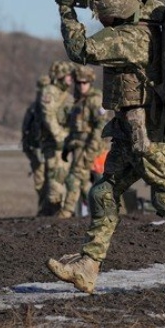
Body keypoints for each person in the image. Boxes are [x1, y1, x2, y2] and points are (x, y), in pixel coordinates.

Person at [46, 0, 165, 293]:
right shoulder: (147, 23)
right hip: (131, 130)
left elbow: (80, 50)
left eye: (101, 9)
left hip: (149, 137)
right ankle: (88, 265)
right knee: (103, 193)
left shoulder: (129, 38)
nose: (99, 15)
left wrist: (66, 8)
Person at [58, 65, 107, 219]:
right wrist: (66, 147)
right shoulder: (78, 101)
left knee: (73, 178)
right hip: (77, 147)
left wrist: (90, 152)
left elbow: (100, 127)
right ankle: (99, 212)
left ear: (90, 82)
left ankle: (66, 213)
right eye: (78, 83)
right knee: (85, 183)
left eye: (84, 83)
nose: (81, 86)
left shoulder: (95, 99)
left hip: (89, 149)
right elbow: (73, 129)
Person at [37, 60, 74, 216]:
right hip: (54, 143)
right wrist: (60, 136)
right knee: (55, 178)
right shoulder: (50, 91)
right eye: (68, 76)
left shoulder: (66, 94)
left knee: (63, 176)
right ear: (60, 76)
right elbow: (49, 116)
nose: (71, 79)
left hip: (64, 143)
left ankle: (53, 212)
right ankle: (53, 211)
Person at [21, 74, 49, 213]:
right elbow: (26, 132)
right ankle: (44, 209)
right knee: (40, 183)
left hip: (50, 150)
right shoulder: (33, 109)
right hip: (37, 150)